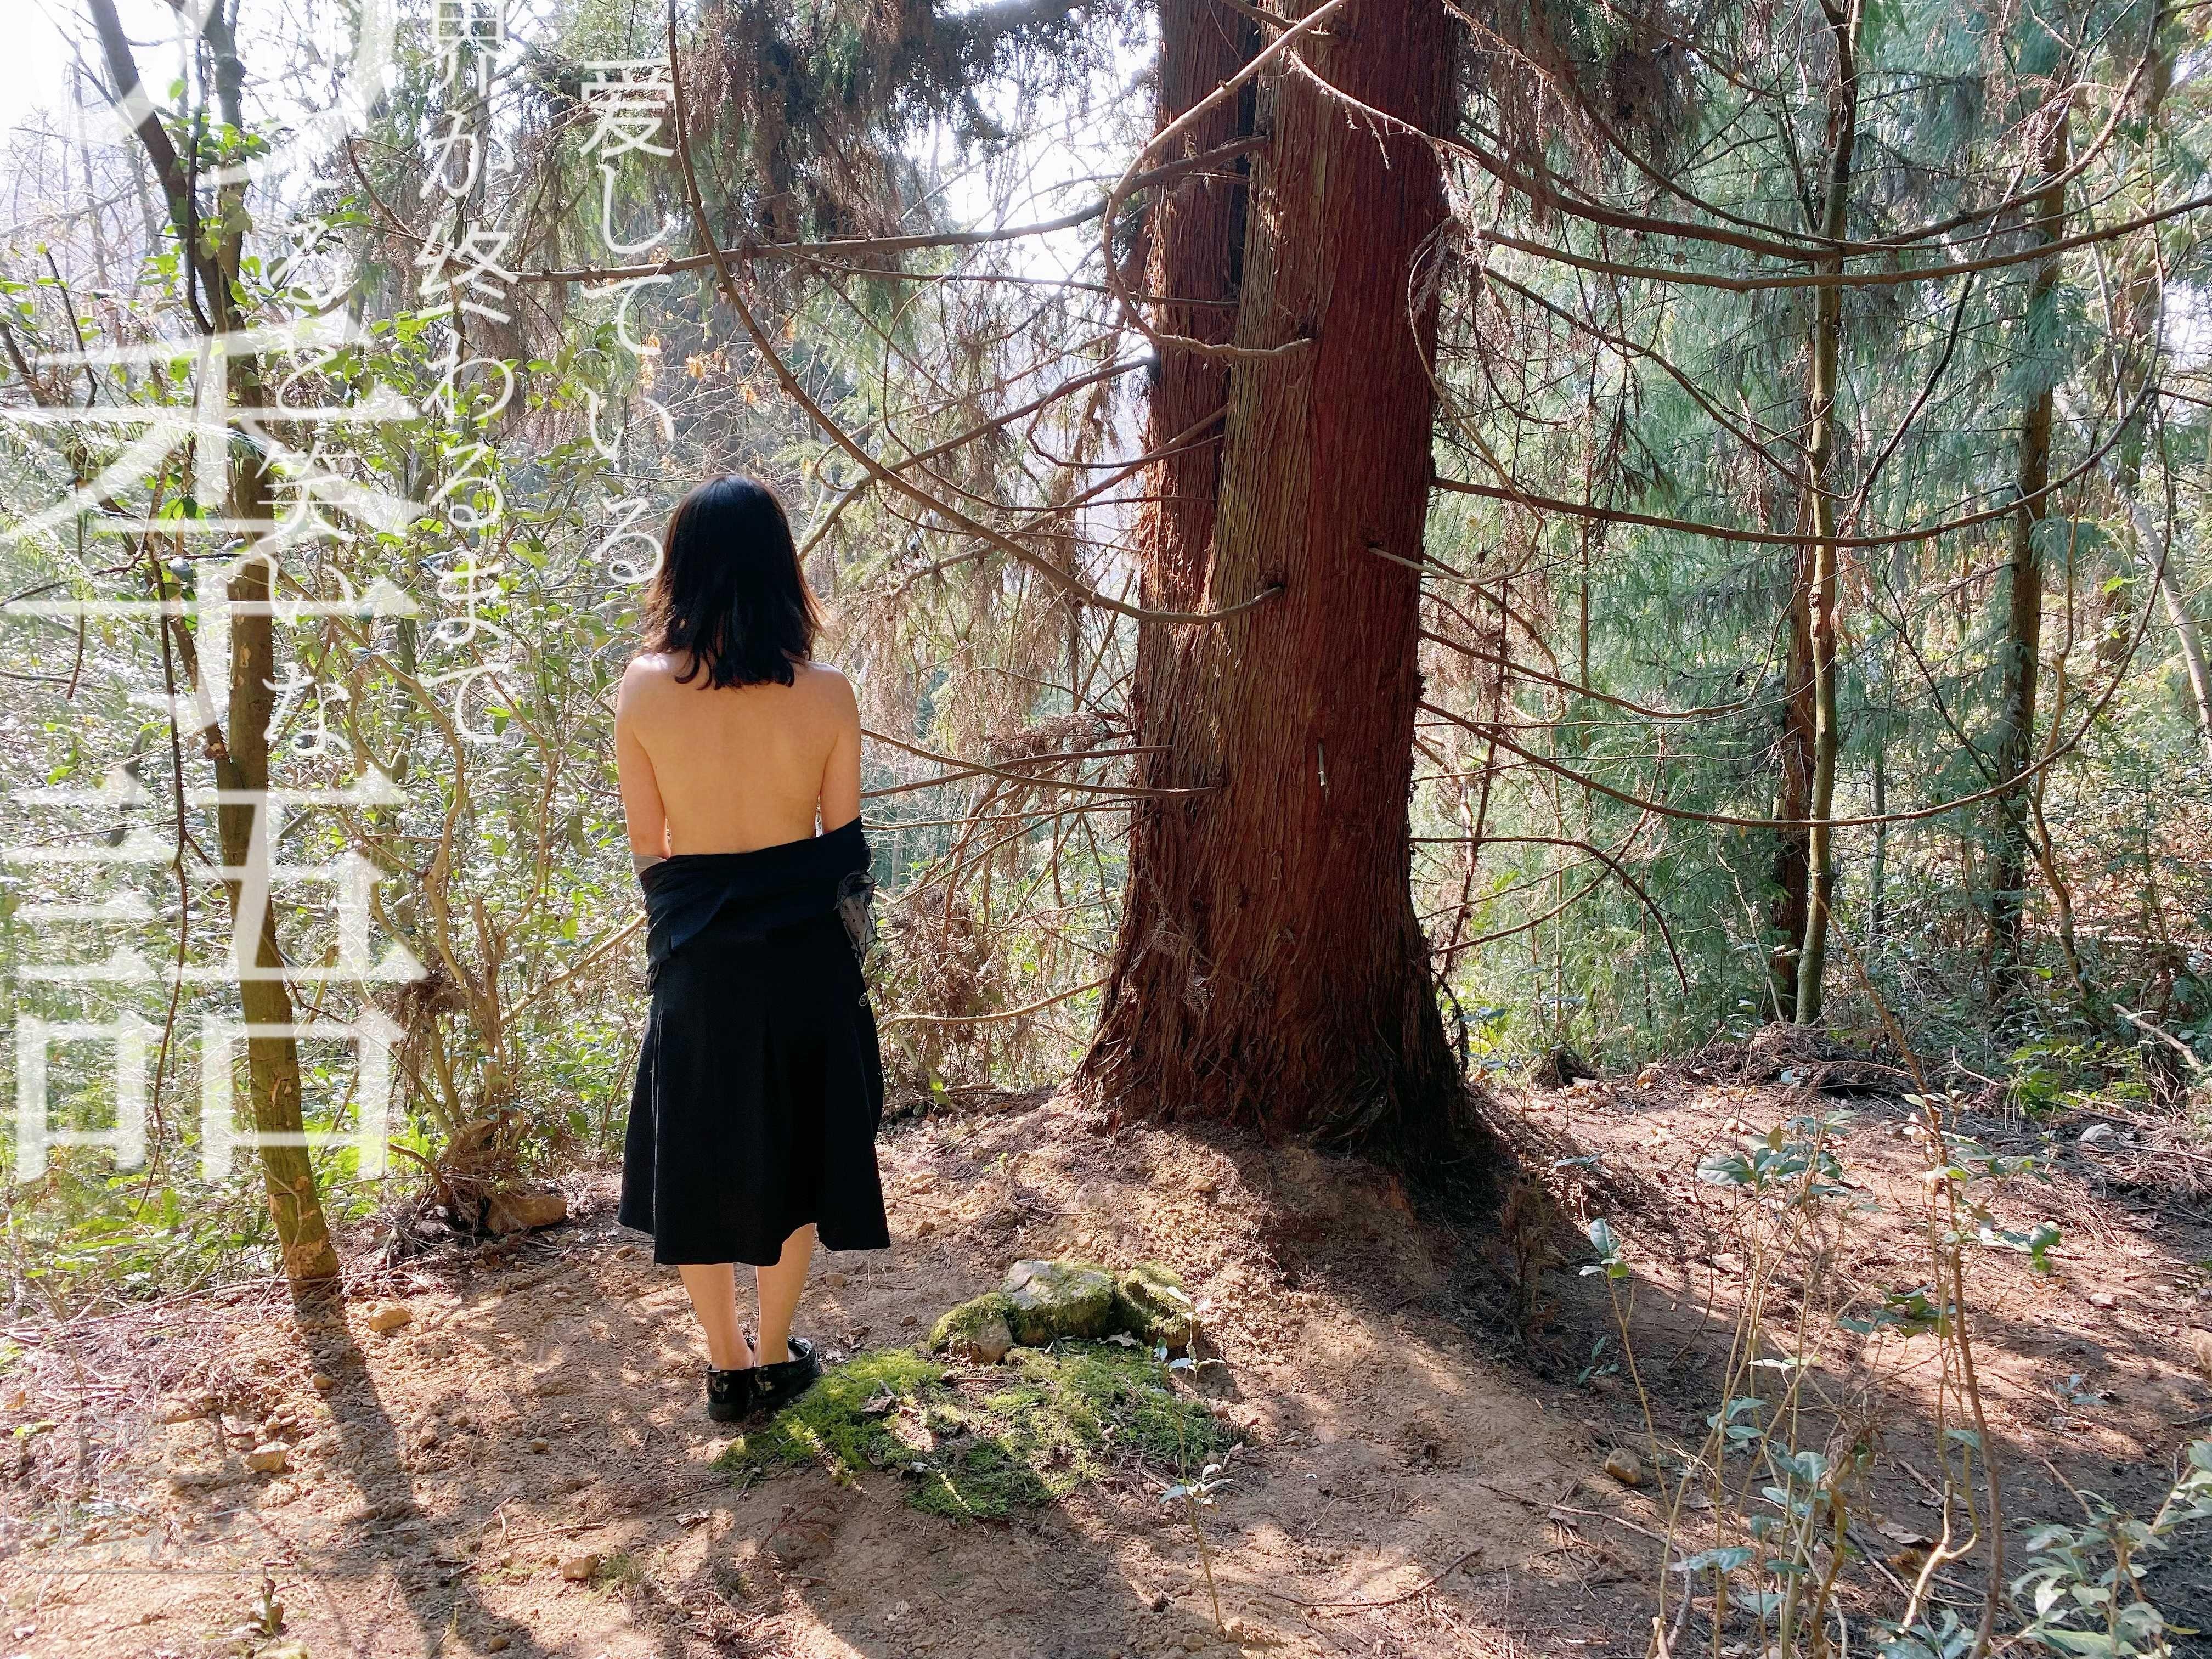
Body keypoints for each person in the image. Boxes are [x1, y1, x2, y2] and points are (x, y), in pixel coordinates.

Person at [613, 473, 890, 1425]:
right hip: (806, 960)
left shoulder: (643, 690)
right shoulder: (829, 693)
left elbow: (650, 850)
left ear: (681, 570)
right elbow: (844, 854)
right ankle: (776, 1353)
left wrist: (693, 932)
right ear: (782, 568)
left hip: (700, 961)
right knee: (800, 1153)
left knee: (697, 1155)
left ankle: (726, 1366)